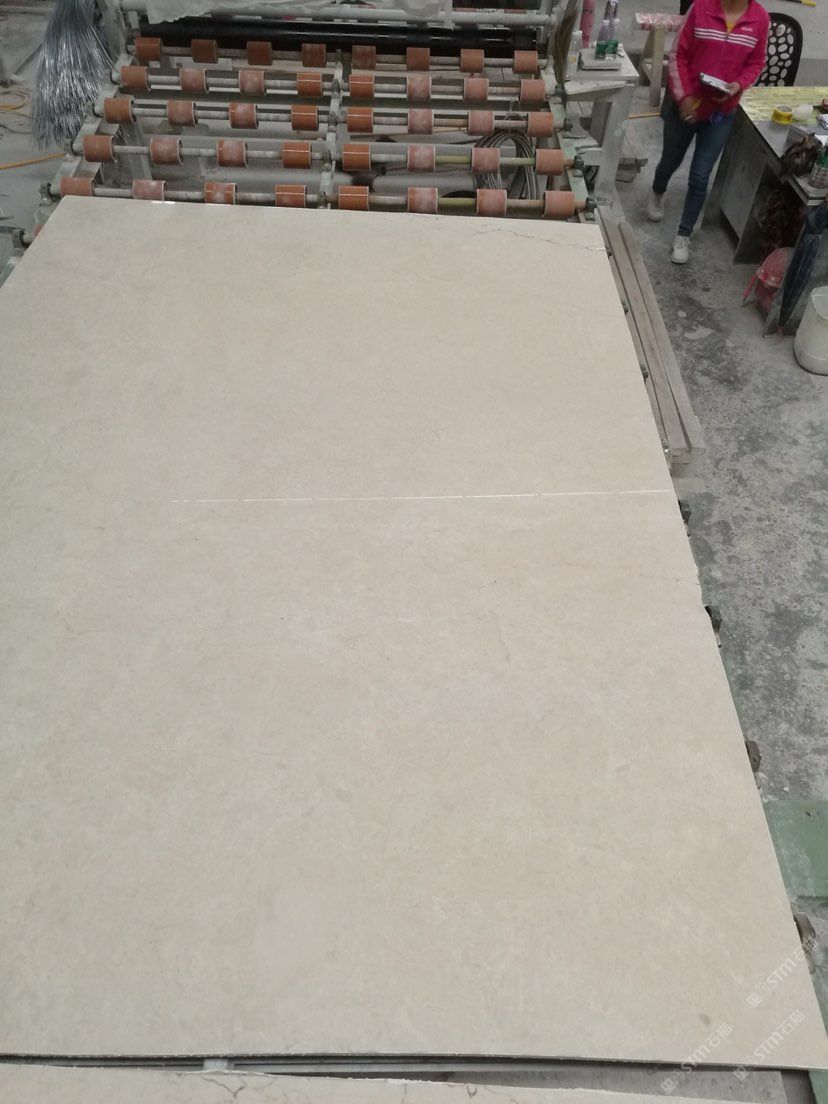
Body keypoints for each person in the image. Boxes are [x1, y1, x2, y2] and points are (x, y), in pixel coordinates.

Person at [646, 0, 770, 264]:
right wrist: (683, 97)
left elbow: (757, 63)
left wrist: (737, 85)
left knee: (700, 175)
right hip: (685, 106)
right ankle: (658, 190)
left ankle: (684, 234)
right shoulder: (701, 7)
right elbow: (678, 55)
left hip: (720, 113)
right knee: (669, 161)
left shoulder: (760, 18)